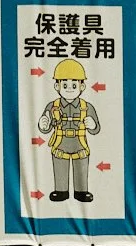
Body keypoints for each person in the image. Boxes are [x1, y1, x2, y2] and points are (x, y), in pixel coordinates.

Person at [38, 57, 99, 204]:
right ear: (57, 87)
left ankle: (81, 191)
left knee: (81, 166)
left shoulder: (87, 106)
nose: (69, 88)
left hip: (80, 144)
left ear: (82, 87)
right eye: (65, 85)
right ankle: (61, 191)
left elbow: (96, 128)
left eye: (74, 85)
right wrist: (43, 125)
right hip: (60, 142)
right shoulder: (53, 106)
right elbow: (46, 127)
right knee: (60, 165)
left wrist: (92, 125)